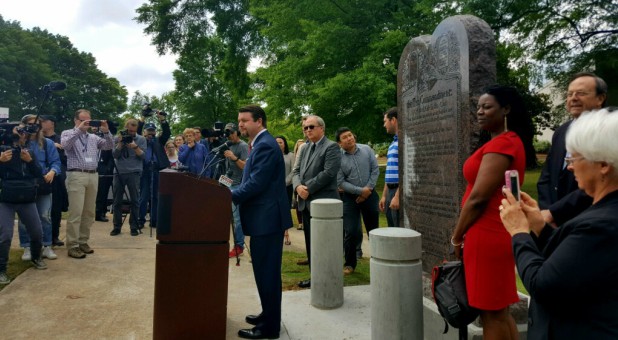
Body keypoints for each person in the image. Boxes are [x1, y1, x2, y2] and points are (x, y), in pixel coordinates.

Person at [500, 108, 618, 339]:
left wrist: (519, 232)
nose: (570, 166)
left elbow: (542, 285)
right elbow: (574, 261)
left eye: (574, 157)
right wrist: (539, 227)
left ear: (603, 164)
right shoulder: (603, 213)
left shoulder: (601, 225)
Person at [450, 85, 534, 339]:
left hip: (486, 234)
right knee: (499, 312)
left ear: (506, 109)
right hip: (493, 232)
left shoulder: (504, 144)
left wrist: (457, 236)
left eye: (487, 107)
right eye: (478, 107)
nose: (480, 112)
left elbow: (477, 199)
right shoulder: (501, 141)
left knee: (491, 314)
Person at [231, 105, 292, 339]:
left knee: (267, 273)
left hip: (267, 220)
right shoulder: (259, 143)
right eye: (239, 121)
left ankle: (270, 327)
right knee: (264, 272)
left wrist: (229, 194)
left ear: (259, 121)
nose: (240, 125)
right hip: (263, 219)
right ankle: (268, 314)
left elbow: (256, 183)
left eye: (244, 120)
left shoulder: (265, 145)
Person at [537, 72, 606, 226]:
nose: (573, 98)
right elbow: (547, 176)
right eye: (569, 94)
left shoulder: (608, 133)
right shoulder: (561, 131)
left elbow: (601, 181)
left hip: (589, 220)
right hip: (552, 223)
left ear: (600, 99)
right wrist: (546, 212)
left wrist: (555, 212)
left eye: (580, 93)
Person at [292, 115, 341, 288]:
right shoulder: (304, 148)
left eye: (311, 127)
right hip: (306, 203)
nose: (307, 130)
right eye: (305, 128)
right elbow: (296, 170)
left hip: (324, 204)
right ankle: (315, 278)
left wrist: (308, 188)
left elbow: (329, 173)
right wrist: (298, 187)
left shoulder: (332, 147)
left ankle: (327, 279)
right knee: (311, 243)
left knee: (325, 245)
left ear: (322, 128)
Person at [61, 109, 114, 258]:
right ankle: (72, 245)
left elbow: (109, 146)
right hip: (76, 174)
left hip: (93, 175)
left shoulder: (93, 137)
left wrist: (106, 131)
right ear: (75, 120)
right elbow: (65, 145)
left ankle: (83, 241)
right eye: (82, 120)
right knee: (76, 212)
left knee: (89, 212)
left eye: (88, 120)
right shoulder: (67, 133)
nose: (86, 123)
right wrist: (78, 130)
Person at [0, 125, 48, 284]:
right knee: (5, 235)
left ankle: (36, 257)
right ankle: (1, 269)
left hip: (27, 198)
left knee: (36, 232)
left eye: (24, 134)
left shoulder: (29, 152)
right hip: (6, 199)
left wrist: (30, 161)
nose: (22, 136)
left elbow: (38, 174)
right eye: (19, 133)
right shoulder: (2, 151)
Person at [17, 114, 62, 261]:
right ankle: (27, 247)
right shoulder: (19, 143)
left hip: (43, 184)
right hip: (24, 185)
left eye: (37, 125)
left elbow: (56, 162)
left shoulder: (47, 143)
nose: (34, 128)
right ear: (24, 126)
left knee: (44, 216)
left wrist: (52, 171)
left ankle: (47, 245)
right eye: (30, 124)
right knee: (24, 219)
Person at [336, 127, 379, 275]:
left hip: (371, 195)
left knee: (373, 230)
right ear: (340, 143)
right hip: (350, 198)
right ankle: (349, 264)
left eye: (350, 135)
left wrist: (368, 190)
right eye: (345, 138)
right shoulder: (338, 158)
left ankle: (378, 259)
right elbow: (340, 182)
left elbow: (375, 170)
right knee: (351, 231)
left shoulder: (366, 149)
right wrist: (360, 191)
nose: (349, 138)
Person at [110, 119, 146, 236]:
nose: (130, 133)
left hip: (134, 172)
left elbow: (143, 156)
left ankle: (134, 227)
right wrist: (120, 144)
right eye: (129, 130)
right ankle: (116, 226)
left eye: (133, 131)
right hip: (119, 172)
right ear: (125, 127)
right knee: (117, 201)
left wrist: (135, 147)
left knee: (135, 200)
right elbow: (114, 155)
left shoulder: (141, 139)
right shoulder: (117, 138)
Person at [137, 114, 170, 230]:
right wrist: (142, 120)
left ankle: (154, 219)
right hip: (145, 170)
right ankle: (140, 219)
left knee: (156, 196)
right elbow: (136, 131)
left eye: (152, 131)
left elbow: (166, 133)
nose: (151, 133)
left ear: (155, 132)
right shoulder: (140, 140)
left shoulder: (159, 141)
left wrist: (163, 120)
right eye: (148, 131)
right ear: (144, 132)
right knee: (144, 196)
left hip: (157, 170)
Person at [40, 114, 68, 246]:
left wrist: (55, 147)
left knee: (55, 208)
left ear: (52, 123)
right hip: (40, 177)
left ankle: (54, 236)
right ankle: (40, 236)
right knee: (41, 210)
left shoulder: (61, 139)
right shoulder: (37, 139)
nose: (41, 123)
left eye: (44, 121)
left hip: (56, 178)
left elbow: (64, 160)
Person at [222, 123, 249, 257]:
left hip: (239, 185)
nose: (230, 135)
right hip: (228, 182)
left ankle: (239, 246)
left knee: (237, 219)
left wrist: (234, 157)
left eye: (232, 133)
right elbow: (228, 169)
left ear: (237, 132)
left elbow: (245, 166)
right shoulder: (227, 145)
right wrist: (221, 182)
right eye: (228, 133)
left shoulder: (243, 146)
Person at [379, 107, 400, 227]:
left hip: (398, 192)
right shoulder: (393, 144)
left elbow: (405, 173)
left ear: (393, 120)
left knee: (398, 231)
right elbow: (389, 172)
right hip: (390, 192)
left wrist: (397, 196)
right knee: (392, 229)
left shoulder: (403, 142)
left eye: (385, 121)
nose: (384, 125)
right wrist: (384, 196)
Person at [94, 125, 115, 223]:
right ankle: (94, 212)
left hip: (104, 167)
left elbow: (111, 156)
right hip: (93, 165)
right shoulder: (92, 138)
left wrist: (108, 168)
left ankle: (100, 212)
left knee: (103, 192)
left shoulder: (108, 141)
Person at [276, 135, 294, 246]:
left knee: (285, 210)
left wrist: (284, 182)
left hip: (286, 187)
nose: (278, 144)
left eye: (280, 142)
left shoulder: (290, 155)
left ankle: (286, 234)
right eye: (276, 142)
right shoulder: (271, 155)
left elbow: (294, 171)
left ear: (284, 144)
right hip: (274, 188)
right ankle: (277, 233)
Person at [292, 138, 307, 230]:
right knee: (298, 203)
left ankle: (305, 222)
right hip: (297, 182)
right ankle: (300, 222)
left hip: (305, 181)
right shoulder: (293, 157)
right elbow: (294, 171)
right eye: (299, 145)